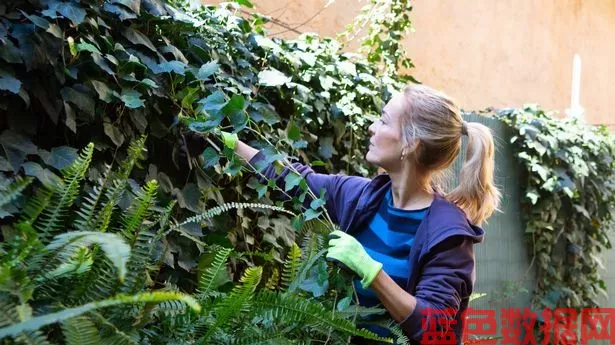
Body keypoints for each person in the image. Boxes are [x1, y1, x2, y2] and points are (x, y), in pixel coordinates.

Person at [214, 84, 500, 344]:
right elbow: (297, 181)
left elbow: (433, 327)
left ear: (411, 145)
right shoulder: (362, 197)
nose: (372, 128)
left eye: (384, 120)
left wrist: (371, 271)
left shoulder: (448, 234)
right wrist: (229, 143)